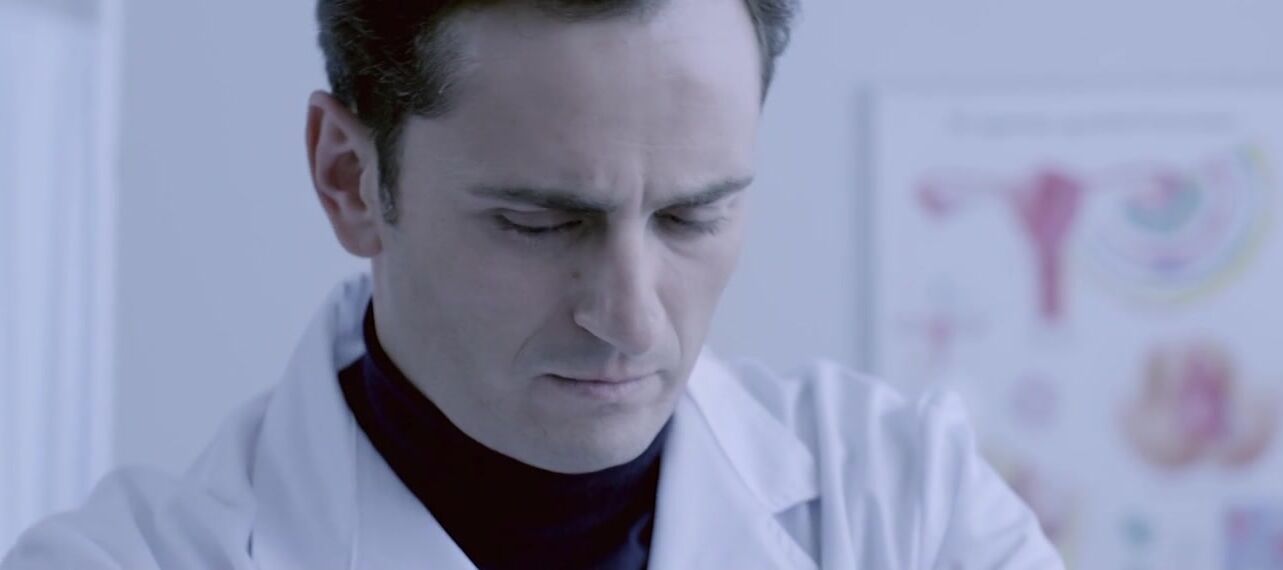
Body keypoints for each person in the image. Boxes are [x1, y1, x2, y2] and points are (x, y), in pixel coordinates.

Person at [2, 0, 1064, 567]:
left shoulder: (905, 507)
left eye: (693, 215)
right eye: (540, 223)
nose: (630, 320)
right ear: (350, 179)